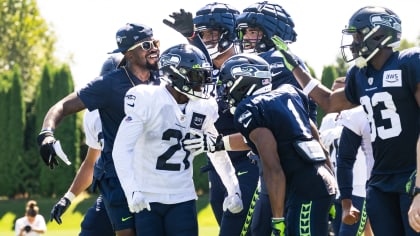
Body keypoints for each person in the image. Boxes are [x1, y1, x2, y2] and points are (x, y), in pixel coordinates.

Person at [271, 6, 420, 235]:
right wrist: (296, 68)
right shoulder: (360, 75)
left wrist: (419, 188)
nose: (353, 43)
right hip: (380, 179)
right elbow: (329, 102)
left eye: (358, 35)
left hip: (412, 173)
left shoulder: (409, 63)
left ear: (379, 35)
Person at [37, 23, 161, 236]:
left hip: (154, 176)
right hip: (118, 179)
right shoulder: (108, 86)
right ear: (128, 54)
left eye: (156, 43)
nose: (154, 48)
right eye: (146, 45)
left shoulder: (162, 81)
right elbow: (62, 106)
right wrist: (46, 134)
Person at [112, 43, 243, 236]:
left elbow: (216, 150)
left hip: (183, 196)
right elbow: (121, 149)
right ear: (176, 74)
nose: (202, 83)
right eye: (198, 77)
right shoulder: (147, 98)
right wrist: (131, 190)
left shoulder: (203, 106)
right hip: (148, 196)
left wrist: (234, 189)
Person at [213, 53, 337, 235]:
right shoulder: (290, 92)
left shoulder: (249, 109)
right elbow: (318, 144)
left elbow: (273, 168)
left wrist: (277, 218)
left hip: (303, 189)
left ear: (243, 81)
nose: (225, 91)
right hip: (322, 182)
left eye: (228, 84)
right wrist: (332, 186)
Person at [163, 3, 260, 236]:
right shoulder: (201, 71)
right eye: (202, 34)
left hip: (249, 158)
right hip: (217, 163)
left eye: (212, 33)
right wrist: (191, 37)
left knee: (234, 230)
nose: (206, 39)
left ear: (229, 33)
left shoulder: (250, 66)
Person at [235, 2, 320, 235]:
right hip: (293, 156)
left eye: (252, 31)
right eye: (246, 32)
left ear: (270, 31)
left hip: (286, 160)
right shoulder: (278, 59)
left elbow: (275, 116)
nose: (247, 38)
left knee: (268, 226)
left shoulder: (274, 60)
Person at [49, 54, 122, 236]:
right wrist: (68, 198)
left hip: (148, 189)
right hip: (114, 189)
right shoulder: (93, 115)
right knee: (91, 229)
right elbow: (91, 162)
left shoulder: (144, 108)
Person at [318, 78, 374, 236]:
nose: (334, 96)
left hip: (358, 189)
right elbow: (320, 142)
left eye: (339, 92)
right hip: (336, 189)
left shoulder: (360, 115)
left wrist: (330, 135)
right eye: (332, 91)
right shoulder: (329, 119)